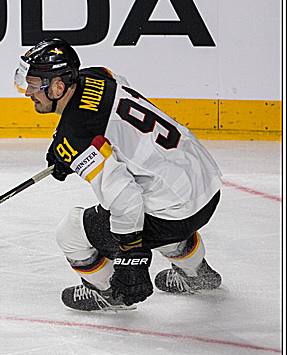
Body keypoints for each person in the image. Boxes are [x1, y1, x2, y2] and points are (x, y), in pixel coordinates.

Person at [15, 37, 223, 311]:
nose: (28, 93)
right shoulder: (97, 75)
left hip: (175, 214)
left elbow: (124, 197)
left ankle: (108, 293)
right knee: (157, 195)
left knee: (70, 232)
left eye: (33, 86)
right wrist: (65, 144)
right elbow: (111, 111)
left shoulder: (77, 136)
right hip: (206, 183)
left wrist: (131, 255)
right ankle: (196, 273)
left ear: (58, 87)